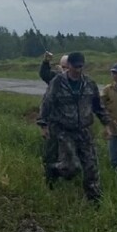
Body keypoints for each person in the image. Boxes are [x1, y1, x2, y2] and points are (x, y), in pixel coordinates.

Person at [38, 51, 109, 201]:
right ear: (68, 66)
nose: (78, 69)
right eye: (75, 66)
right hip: (64, 131)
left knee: (91, 167)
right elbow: (47, 103)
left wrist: (107, 124)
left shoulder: (89, 83)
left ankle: (94, 200)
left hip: (84, 131)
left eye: (81, 66)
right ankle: (53, 169)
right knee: (72, 168)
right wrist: (43, 125)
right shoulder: (57, 82)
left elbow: (98, 106)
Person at [39, 52, 69, 183]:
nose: (64, 69)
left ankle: (65, 178)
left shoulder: (80, 81)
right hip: (53, 124)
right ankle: (51, 180)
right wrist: (46, 62)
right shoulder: (54, 78)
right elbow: (44, 74)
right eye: (62, 66)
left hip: (70, 126)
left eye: (67, 67)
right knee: (51, 153)